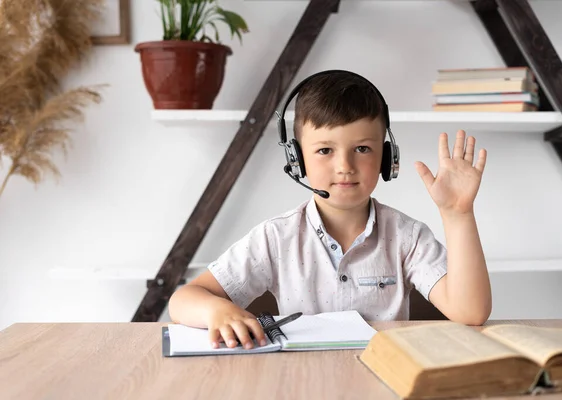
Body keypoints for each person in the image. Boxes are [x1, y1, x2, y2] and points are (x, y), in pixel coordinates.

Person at [168, 70, 492, 350]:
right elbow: (183, 299)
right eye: (324, 150)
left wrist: (457, 214)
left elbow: (471, 312)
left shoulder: (408, 237)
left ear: (385, 156)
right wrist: (216, 312)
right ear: (297, 159)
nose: (345, 166)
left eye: (362, 149)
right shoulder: (275, 238)